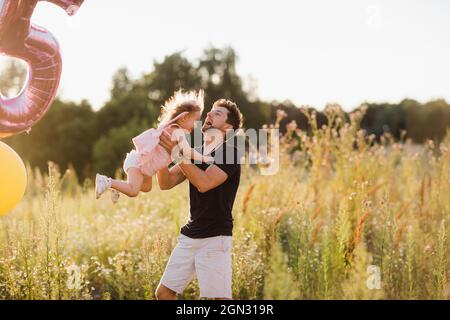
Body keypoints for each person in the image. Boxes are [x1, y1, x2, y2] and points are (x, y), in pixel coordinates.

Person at [155, 98, 243, 300]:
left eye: (218, 113)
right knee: (164, 294)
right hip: (190, 235)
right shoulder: (194, 154)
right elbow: (165, 183)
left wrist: (177, 153)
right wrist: (162, 151)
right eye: (211, 111)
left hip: (215, 238)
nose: (209, 115)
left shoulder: (230, 152)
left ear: (228, 129)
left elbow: (204, 183)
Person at [95, 90, 213, 203]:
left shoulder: (171, 128)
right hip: (138, 162)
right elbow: (187, 151)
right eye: (196, 119)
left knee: (146, 187)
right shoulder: (177, 132)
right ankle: (106, 181)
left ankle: (118, 185)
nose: (198, 124)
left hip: (143, 166)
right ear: (184, 118)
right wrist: (204, 157)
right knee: (133, 191)